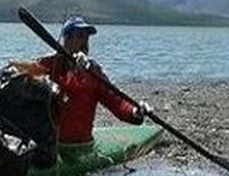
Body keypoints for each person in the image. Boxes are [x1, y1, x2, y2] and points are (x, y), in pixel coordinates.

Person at [12, 15, 151, 156]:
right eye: (79, 36)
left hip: (81, 147)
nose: (85, 42)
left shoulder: (93, 72)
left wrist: (135, 112)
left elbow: (117, 102)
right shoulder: (49, 64)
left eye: (86, 37)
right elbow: (24, 74)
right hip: (49, 146)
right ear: (66, 40)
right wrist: (12, 68)